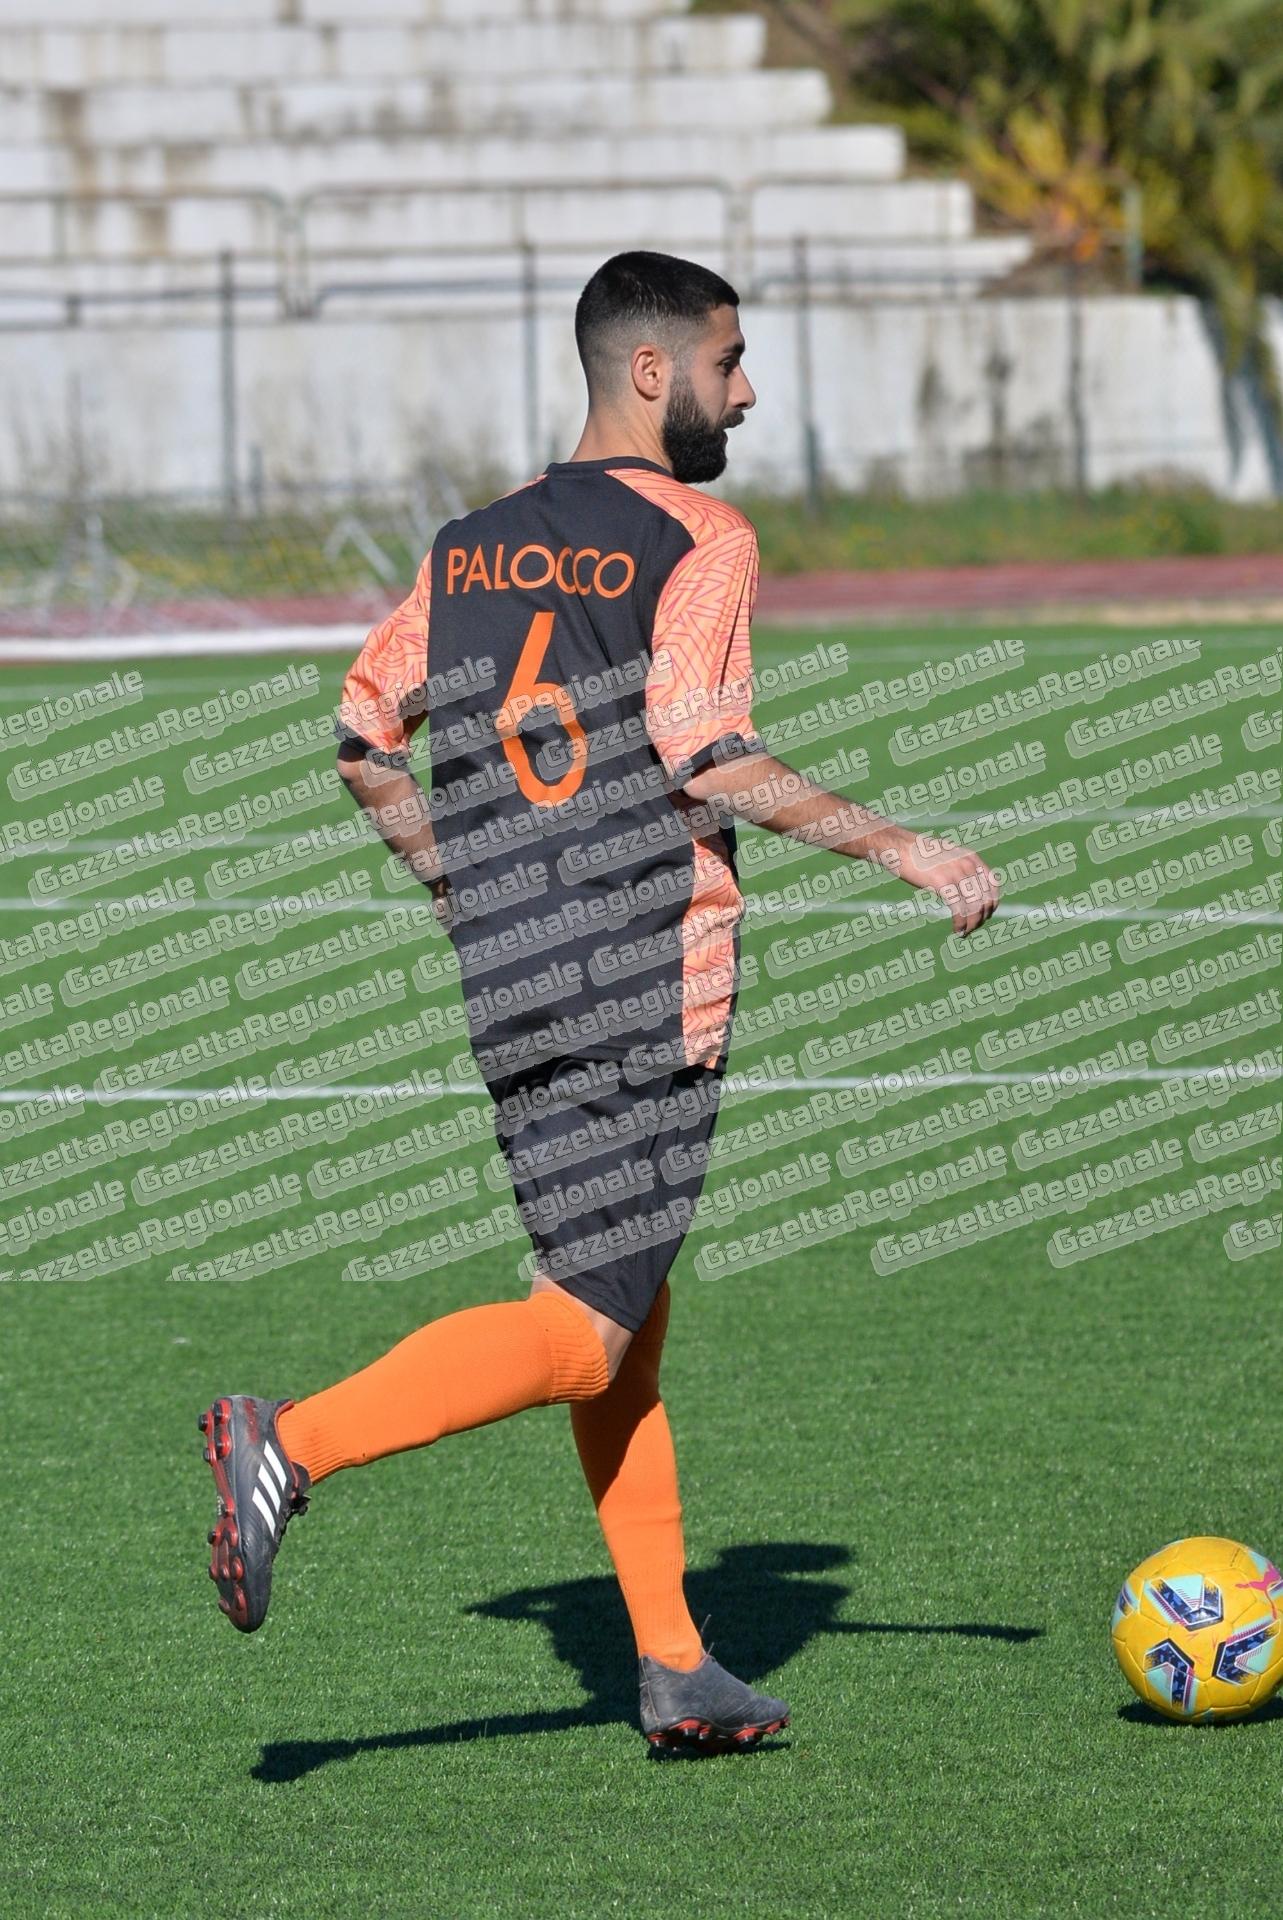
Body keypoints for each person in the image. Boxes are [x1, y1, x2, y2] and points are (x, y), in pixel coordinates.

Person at [198, 250, 1000, 1753]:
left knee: (625, 1314)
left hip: (513, 978)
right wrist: (907, 847)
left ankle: (677, 1665)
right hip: (644, 979)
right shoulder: (703, 535)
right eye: (728, 362)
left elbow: (364, 737)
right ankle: (288, 1442)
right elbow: (704, 750)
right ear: (652, 371)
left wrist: (459, 886)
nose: (745, 393)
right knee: (583, 1328)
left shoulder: (471, 545)